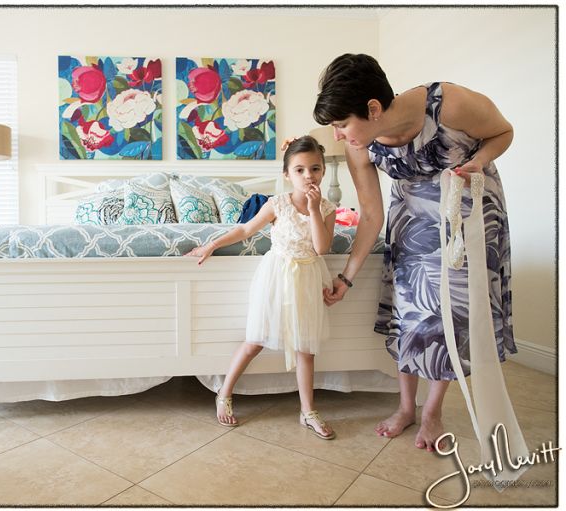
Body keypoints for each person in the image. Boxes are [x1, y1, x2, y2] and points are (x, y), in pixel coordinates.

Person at [312, 53, 517, 452]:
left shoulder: (450, 103)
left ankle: (431, 412)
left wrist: (478, 161)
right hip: (412, 223)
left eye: (341, 124)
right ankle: (406, 407)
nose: (337, 135)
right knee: (410, 314)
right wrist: (347, 276)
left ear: (373, 108)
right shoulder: (361, 142)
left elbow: (503, 132)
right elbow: (370, 213)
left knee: (449, 318)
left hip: (466, 215)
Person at [185, 136, 337, 439]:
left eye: (315, 169)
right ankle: (224, 393)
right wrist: (212, 245)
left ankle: (308, 411)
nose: (308, 176)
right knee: (255, 341)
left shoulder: (328, 208)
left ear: (322, 172)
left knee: (305, 349)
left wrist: (315, 209)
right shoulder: (277, 204)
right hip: (277, 278)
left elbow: (321, 248)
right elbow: (245, 229)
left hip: (306, 278)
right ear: (287, 174)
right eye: (300, 170)